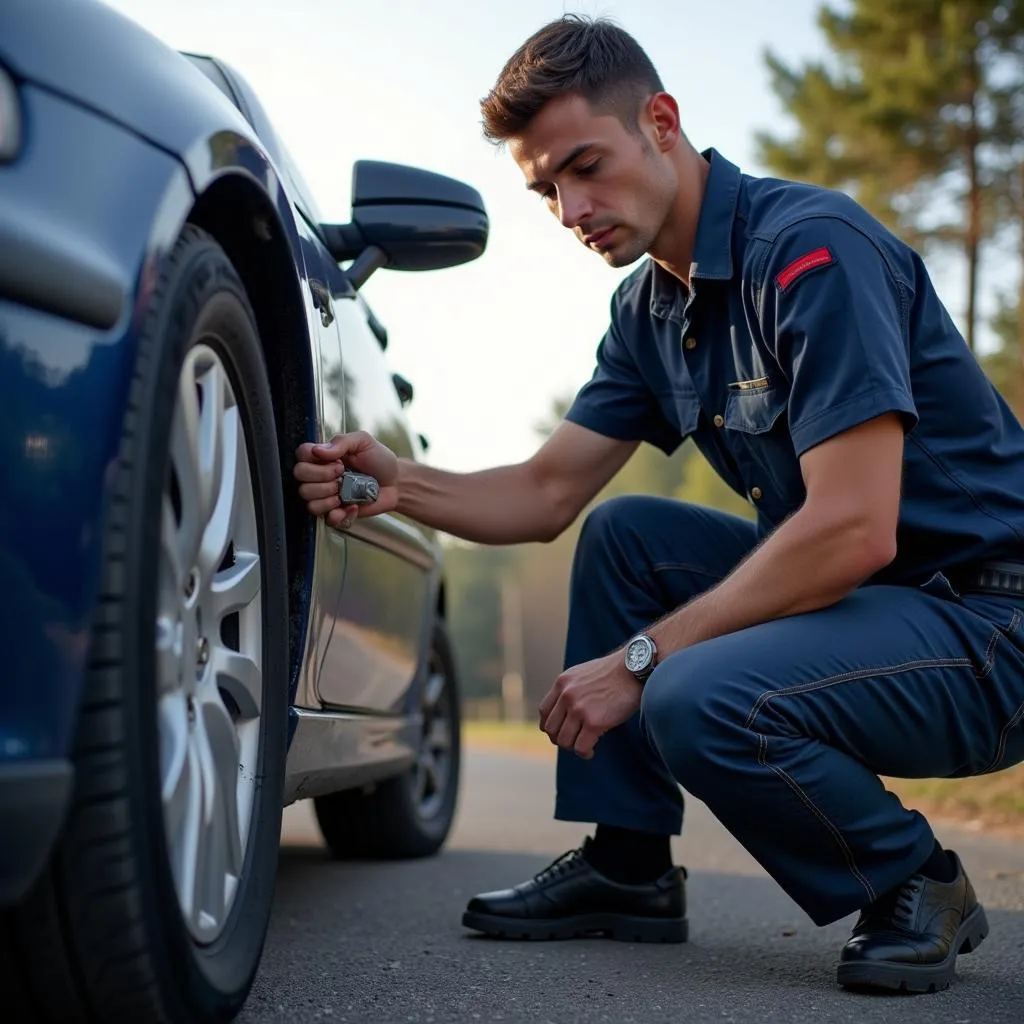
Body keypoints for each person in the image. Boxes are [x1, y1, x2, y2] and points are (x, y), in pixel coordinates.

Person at [293, 14, 1024, 994]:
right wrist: (403, 486)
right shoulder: (650, 310)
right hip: (872, 611)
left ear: (662, 122)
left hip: (984, 624)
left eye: (585, 165)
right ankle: (627, 865)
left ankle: (911, 879)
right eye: (546, 187)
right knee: (628, 534)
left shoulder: (808, 251)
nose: (569, 208)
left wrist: (642, 658)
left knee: (691, 691)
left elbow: (852, 527)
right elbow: (547, 489)